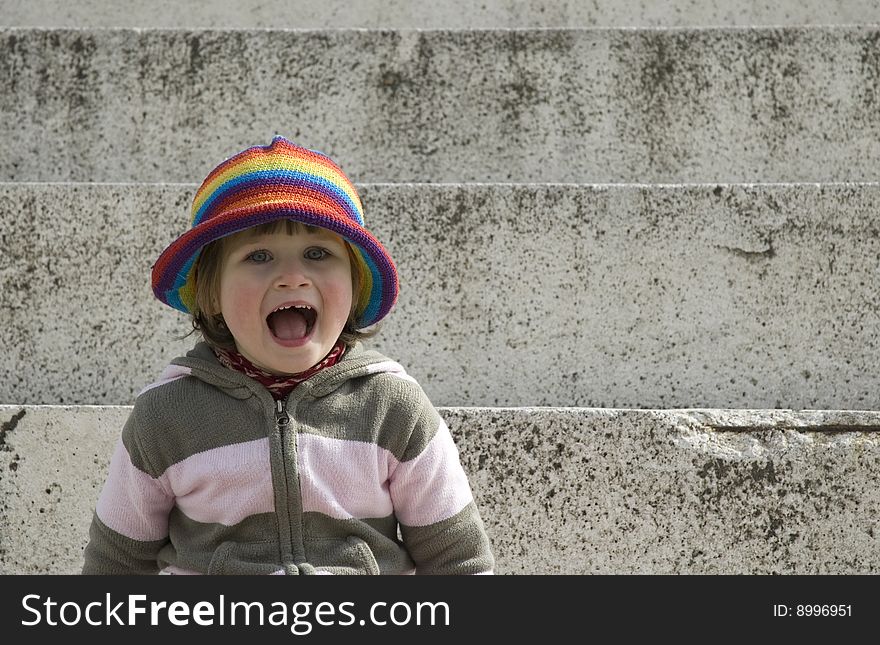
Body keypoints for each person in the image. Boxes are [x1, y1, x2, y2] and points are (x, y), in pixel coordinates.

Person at [82, 136, 494, 575]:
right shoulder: (165, 416)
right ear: (212, 292)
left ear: (355, 286)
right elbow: (115, 564)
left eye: (318, 254)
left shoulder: (394, 409)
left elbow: (459, 560)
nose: (292, 277)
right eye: (258, 256)